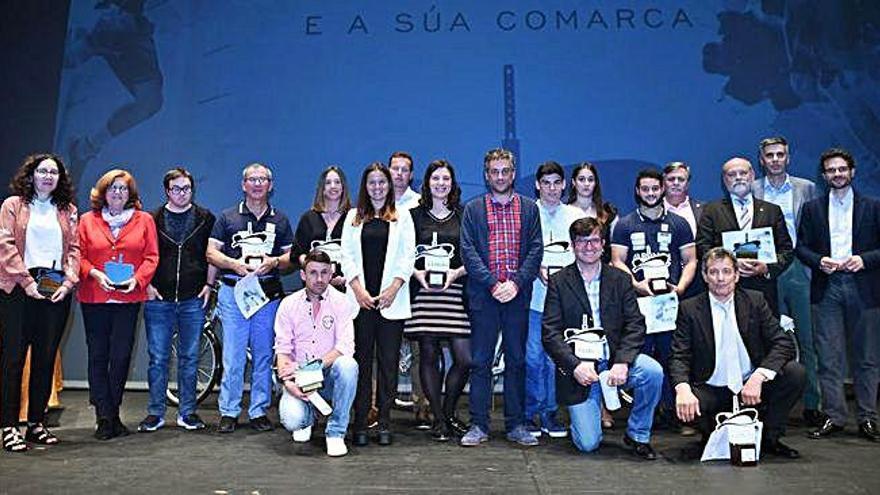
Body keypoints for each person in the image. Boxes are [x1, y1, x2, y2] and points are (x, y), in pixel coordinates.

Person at [542, 217, 663, 459]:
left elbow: (635, 324)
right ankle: (588, 413)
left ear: (603, 244)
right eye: (582, 241)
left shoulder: (619, 279)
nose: (589, 247)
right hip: (581, 369)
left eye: (594, 241)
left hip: (615, 361)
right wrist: (574, 366)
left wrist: (623, 361)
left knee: (653, 372)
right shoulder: (559, 282)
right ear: (573, 245)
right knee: (587, 444)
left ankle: (638, 434)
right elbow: (550, 333)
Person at [670, 247, 805, 459]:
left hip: (750, 387)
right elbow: (679, 355)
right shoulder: (689, 308)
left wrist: (759, 376)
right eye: (713, 272)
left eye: (726, 271)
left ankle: (770, 438)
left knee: (794, 373)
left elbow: (783, 342)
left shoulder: (755, 301)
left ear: (737, 275)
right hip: (711, 389)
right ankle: (710, 436)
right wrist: (683, 389)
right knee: (684, 394)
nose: (720, 278)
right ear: (705, 276)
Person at [459, 148, 542, 447]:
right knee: (480, 361)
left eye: (505, 171)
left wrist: (516, 283)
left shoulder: (530, 208)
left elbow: (535, 249)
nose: (500, 176)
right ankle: (478, 424)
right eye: (494, 171)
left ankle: (516, 425)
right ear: (486, 175)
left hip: (518, 296)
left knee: (517, 361)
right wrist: (494, 284)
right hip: (484, 295)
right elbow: (468, 252)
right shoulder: (473, 209)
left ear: (513, 173)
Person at [798, 148, 880, 442]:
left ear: (852, 172)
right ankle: (834, 416)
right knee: (829, 358)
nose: (837, 174)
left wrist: (865, 259)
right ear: (823, 176)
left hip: (864, 287)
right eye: (831, 170)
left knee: (867, 358)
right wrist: (819, 260)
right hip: (827, 288)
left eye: (842, 169)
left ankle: (868, 418)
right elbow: (802, 247)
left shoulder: (873, 206)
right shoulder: (812, 209)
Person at [0, 154, 80, 452]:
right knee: (13, 359)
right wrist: (27, 282)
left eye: (54, 172)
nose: (48, 176)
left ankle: (36, 423)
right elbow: (5, 246)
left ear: (60, 178)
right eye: (42, 171)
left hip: (54, 287)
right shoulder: (13, 205)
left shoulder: (68, 210)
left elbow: (74, 249)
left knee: (46, 358)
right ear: (31, 174)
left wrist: (69, 282)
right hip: (18, 289)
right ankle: (9, 426)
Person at [207, 162, 294, 434]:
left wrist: (275, 261)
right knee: (233, 355)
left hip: (267, 294)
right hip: (234, 291)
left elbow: (291, 258)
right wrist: (233, 265)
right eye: (252, 180)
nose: (257, 184)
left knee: (263, 355)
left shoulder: (280, 220)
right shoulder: (226, 217)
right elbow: (211, 253)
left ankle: (258, 410)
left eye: (263, 180)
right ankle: (229, 411)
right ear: (243, 185)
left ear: (271, 185)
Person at [611, 168, 697, 427]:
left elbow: (691, 260)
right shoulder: (625, 224)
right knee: (643, 356)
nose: (650, 193)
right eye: (645, 189)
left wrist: (680, 288)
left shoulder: (678, 224)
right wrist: (637, 285)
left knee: (672, 355)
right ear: (637, 191)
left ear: (662, 189)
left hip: (669, 303)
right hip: (638, 303)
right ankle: (644, 414)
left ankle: (673, 413)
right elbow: (616, 261)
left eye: (654, 188)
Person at [77, 168, 158, 440]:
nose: (118, 193)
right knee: (98, 356)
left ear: (130, 194)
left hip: (128, 298)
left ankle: (112, 410)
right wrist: (94, 274)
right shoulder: (87, 220)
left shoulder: (144, 220)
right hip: (94, 297)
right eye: (112, 188)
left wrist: (138, 280)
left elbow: (151, 256)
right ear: (102, 192)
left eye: (123, 189)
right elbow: (79, 255)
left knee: (121, 356)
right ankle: (104, 416)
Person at [341, 163, 416, 446]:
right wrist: (358, 289)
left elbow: (407, 258)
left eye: (382, 182)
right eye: (371, 182)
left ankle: (384, 421)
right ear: (365, 186)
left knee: (388, 364)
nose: (377, 187)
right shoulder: (352, 217)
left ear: (389, 185)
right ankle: (360, 422)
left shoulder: (403, 217)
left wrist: (393, 288)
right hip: (360, 303)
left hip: (391, 302)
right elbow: (346, 257)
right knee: (360, 364)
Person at [137, 167, 216, 433]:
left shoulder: (205, 218)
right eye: (176, 189)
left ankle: (188, 412)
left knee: (190, 357)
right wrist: (145, 284)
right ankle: (155, 413)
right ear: (167, 191)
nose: (182, 194)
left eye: (187, 188)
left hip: (193, 298)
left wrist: (209, 284)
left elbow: (211, 254)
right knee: (158, 358)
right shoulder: (151, 219)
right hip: (158, 297)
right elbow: (142, 253)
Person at [751, 136, 822, 427]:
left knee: (807, 338)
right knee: (767, 337)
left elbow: (815, 228)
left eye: (781, 154)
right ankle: (766, 402)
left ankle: (812, 404)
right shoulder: (752, 189)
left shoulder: (806, 188)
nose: (776, 159)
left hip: (797, 268)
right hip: (764, 269)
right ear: (762, 160)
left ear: (788, 158)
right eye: (770, 155)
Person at [403, 159, 472, 441]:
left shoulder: (464, 215)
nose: (440, 184)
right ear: (427, 183)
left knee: (465, 359)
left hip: (455, 293)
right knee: (429, 356)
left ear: (452, 184)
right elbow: (402, 256)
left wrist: (456, 273)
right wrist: (416, 274)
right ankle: (440, 421)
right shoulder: (412, 216)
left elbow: (476, 254)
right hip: (424, 295)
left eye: (445, 179)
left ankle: (447, 411)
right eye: (435, 179)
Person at [275, 250, 359, 457]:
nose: (319, 279)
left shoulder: (342, 302)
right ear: (303, 275)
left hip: (328, 376)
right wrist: (289, 384)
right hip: (300, 381)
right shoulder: (288, 305)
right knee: (292, 420)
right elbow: (283, 350)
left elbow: (345, 347)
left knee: (348, 365)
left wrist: (309, 367)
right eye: (313, 273)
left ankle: (336, 432)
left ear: (331, 275)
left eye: (324, 273)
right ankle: (308, 418)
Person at [525, 161, 584, 439]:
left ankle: (550, 413)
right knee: (533, 359)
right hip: (533, 301)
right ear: (537, 185)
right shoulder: (527, 212)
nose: (551, 188)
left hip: (562, 304)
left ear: (564, 185)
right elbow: (519, 252)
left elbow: (584, 253)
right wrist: (536, 268)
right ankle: (530, 414)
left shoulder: (574, 215)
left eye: (556, 182)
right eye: (545, 183)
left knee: (554, 361)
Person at [695, 157, 793, 315]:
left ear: (752, 175)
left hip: (764, 290)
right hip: (725, 290)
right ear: (724, 180)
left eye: (743, 173)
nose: (738, 177)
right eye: (732, 174)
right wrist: (729, 266)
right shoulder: (711, 210)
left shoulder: (772, 210)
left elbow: (786, 250)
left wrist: (767, 268)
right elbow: (702, 247)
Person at [291, 165, 351, 285]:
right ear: (322, 188)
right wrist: (314, 270)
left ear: (343, 187)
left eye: (337, 182)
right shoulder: (308, 218)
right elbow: (298, 254)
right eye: (328, 183)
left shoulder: (354, 218)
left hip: (347, 288)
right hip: (315, 288)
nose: (333, 186)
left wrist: (348, 279)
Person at [566, 161, 617, 262]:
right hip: (571, 271)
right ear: (573, 182)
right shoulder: (563, 212)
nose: (586, 184)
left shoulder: (608, 213)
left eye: (590, 180)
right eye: (581, 179)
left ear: (595, 183)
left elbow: (615, 252)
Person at [662, 161, 705, 238]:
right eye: (671, 179)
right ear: (663, 183)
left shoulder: (704, 210)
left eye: (681, 179)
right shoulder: (654, 209)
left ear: (687, 184)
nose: (676, 183)